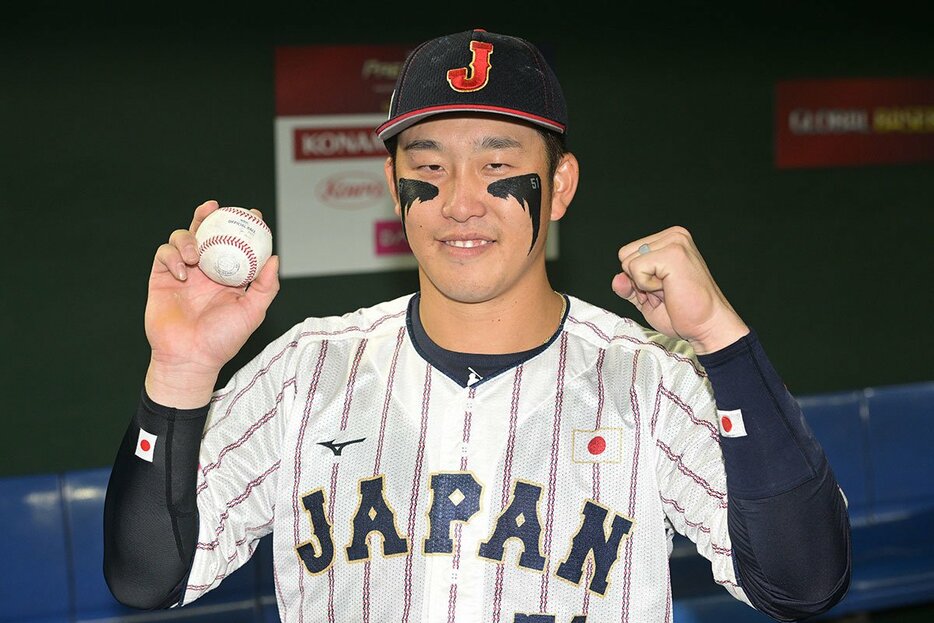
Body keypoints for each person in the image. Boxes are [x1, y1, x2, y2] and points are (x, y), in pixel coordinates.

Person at [104, 28, 851, 622]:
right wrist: (179, 371)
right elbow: (146, 577)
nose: (461, 201)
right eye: (428, 167)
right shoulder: (306, 369)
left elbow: (804, 583)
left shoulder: (647, 377)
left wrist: (720, 338)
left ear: (558, 185)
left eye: (498, 166)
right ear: (394, 186)